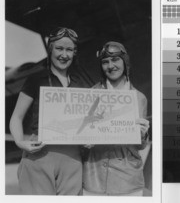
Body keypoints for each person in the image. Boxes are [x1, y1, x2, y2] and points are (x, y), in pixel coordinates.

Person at [9, 27, 84, 195]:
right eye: (59, 48)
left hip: (72, 158)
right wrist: (20, 142)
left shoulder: (80, 83)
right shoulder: (36, 79)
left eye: (69, 50)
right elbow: (16, 117)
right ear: (50, 49)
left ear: (74, 53)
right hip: (39, 154)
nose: (64, 54)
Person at [83, 41, 150, 196]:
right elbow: (82, 132)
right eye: (105, 62)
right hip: (94, 178)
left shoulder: (139, 98)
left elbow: (140, 146)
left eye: (115, 60)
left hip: (127, 180)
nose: (110, 66)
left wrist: (143, 134)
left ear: (125, 62)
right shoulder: (90, 94)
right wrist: (84, 139)